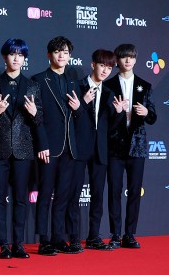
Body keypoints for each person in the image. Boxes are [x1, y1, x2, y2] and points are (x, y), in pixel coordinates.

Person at [65, 49, 125, 252]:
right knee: (73, 194)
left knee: (98, 195)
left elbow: (111, 127)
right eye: (102, 65)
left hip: (101, 151)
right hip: (79, 149)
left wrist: (118, 114)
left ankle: (93, 237)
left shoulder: (109, 93)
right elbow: (69, 119)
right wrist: (83, 102)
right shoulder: (77, 86)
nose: (106, 70)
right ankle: (73, 238)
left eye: (110, 67)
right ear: (93, 65)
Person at [0, 38, 42, 259]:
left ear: (25, 59)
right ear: (4, 56)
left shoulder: (32, 86)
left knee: (21, 198)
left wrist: (35, 114)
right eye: (12, 54)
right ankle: (3, 243)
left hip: (23, 150)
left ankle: (19, 243)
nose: (16, 58)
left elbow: (39, 122)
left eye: (21, 55)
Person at [32, 36, 83, 256]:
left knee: (63, 196)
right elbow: (36, 116)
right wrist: (42, 144)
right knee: (45, 194)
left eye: (65, 52)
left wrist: (80, 108)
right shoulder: (38, 80)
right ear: (48, 55)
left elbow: (79, 118)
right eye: (57, 51)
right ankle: (44, 240)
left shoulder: (73, 82)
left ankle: (58, 237)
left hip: (70, 148)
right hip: (48, 148)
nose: (62, 56)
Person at [104, 44, 157, 249]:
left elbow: (152, 117)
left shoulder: (145, 85)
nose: (127, 61)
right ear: (117, 60)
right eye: (123, 57)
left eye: (131, 57)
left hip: (137, 147)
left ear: (135, 60)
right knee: (115, 191)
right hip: (114, 147)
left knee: (135, 191)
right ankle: (115, 234)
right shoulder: (108, 86)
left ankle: (130, 234)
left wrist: (146, 112)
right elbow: (103, 118)